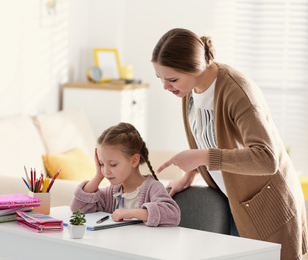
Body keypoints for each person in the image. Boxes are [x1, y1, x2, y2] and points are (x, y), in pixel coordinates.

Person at [151, 27, 307, 259]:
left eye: (172, 79)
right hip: (233, 202)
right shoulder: (190, 89)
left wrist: (203, 157)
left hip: (266, 208)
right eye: (160, 79)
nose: (166, 87)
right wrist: (190, 174)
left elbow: (266, 158)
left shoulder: (238, 91)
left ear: (195, 68)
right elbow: (207, 137)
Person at [70, 122, 180, 227]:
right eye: (101, 164)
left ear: (133, 161)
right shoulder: (111, 193)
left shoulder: (153, 188)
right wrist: (98, 176)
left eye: (113, 164)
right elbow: (78, 208)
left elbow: (173, 215)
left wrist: (134, 213)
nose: (106, 171)